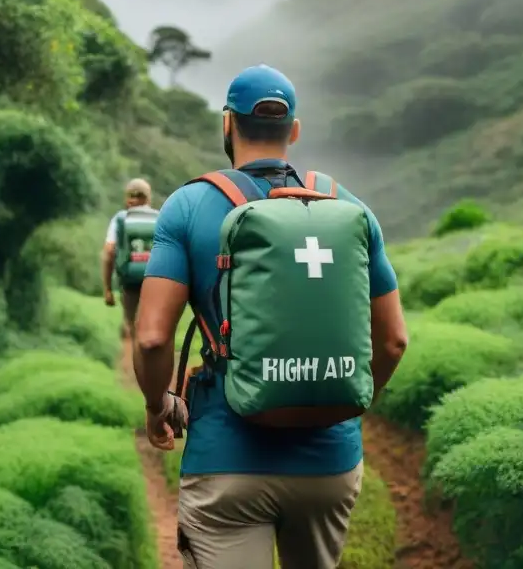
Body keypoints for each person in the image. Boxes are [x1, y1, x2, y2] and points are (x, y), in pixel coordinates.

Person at [133, 64, 408, 569]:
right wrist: (335, 399)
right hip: (330, 463)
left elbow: (152, 339)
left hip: (226, 461)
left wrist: (159, 405)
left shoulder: (188, 206)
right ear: (294, 131)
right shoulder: (348, 206)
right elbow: (392, 342)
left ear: (226, 125)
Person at [103, 177, 159, 338]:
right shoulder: (160, 217)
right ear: (148, 198)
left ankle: (138, 357)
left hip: (130, 281)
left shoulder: (121, 218)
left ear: (127, 199)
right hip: (156, 280)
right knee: (157, 326)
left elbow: (109, 251)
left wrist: (107, 289)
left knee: (134, 327)